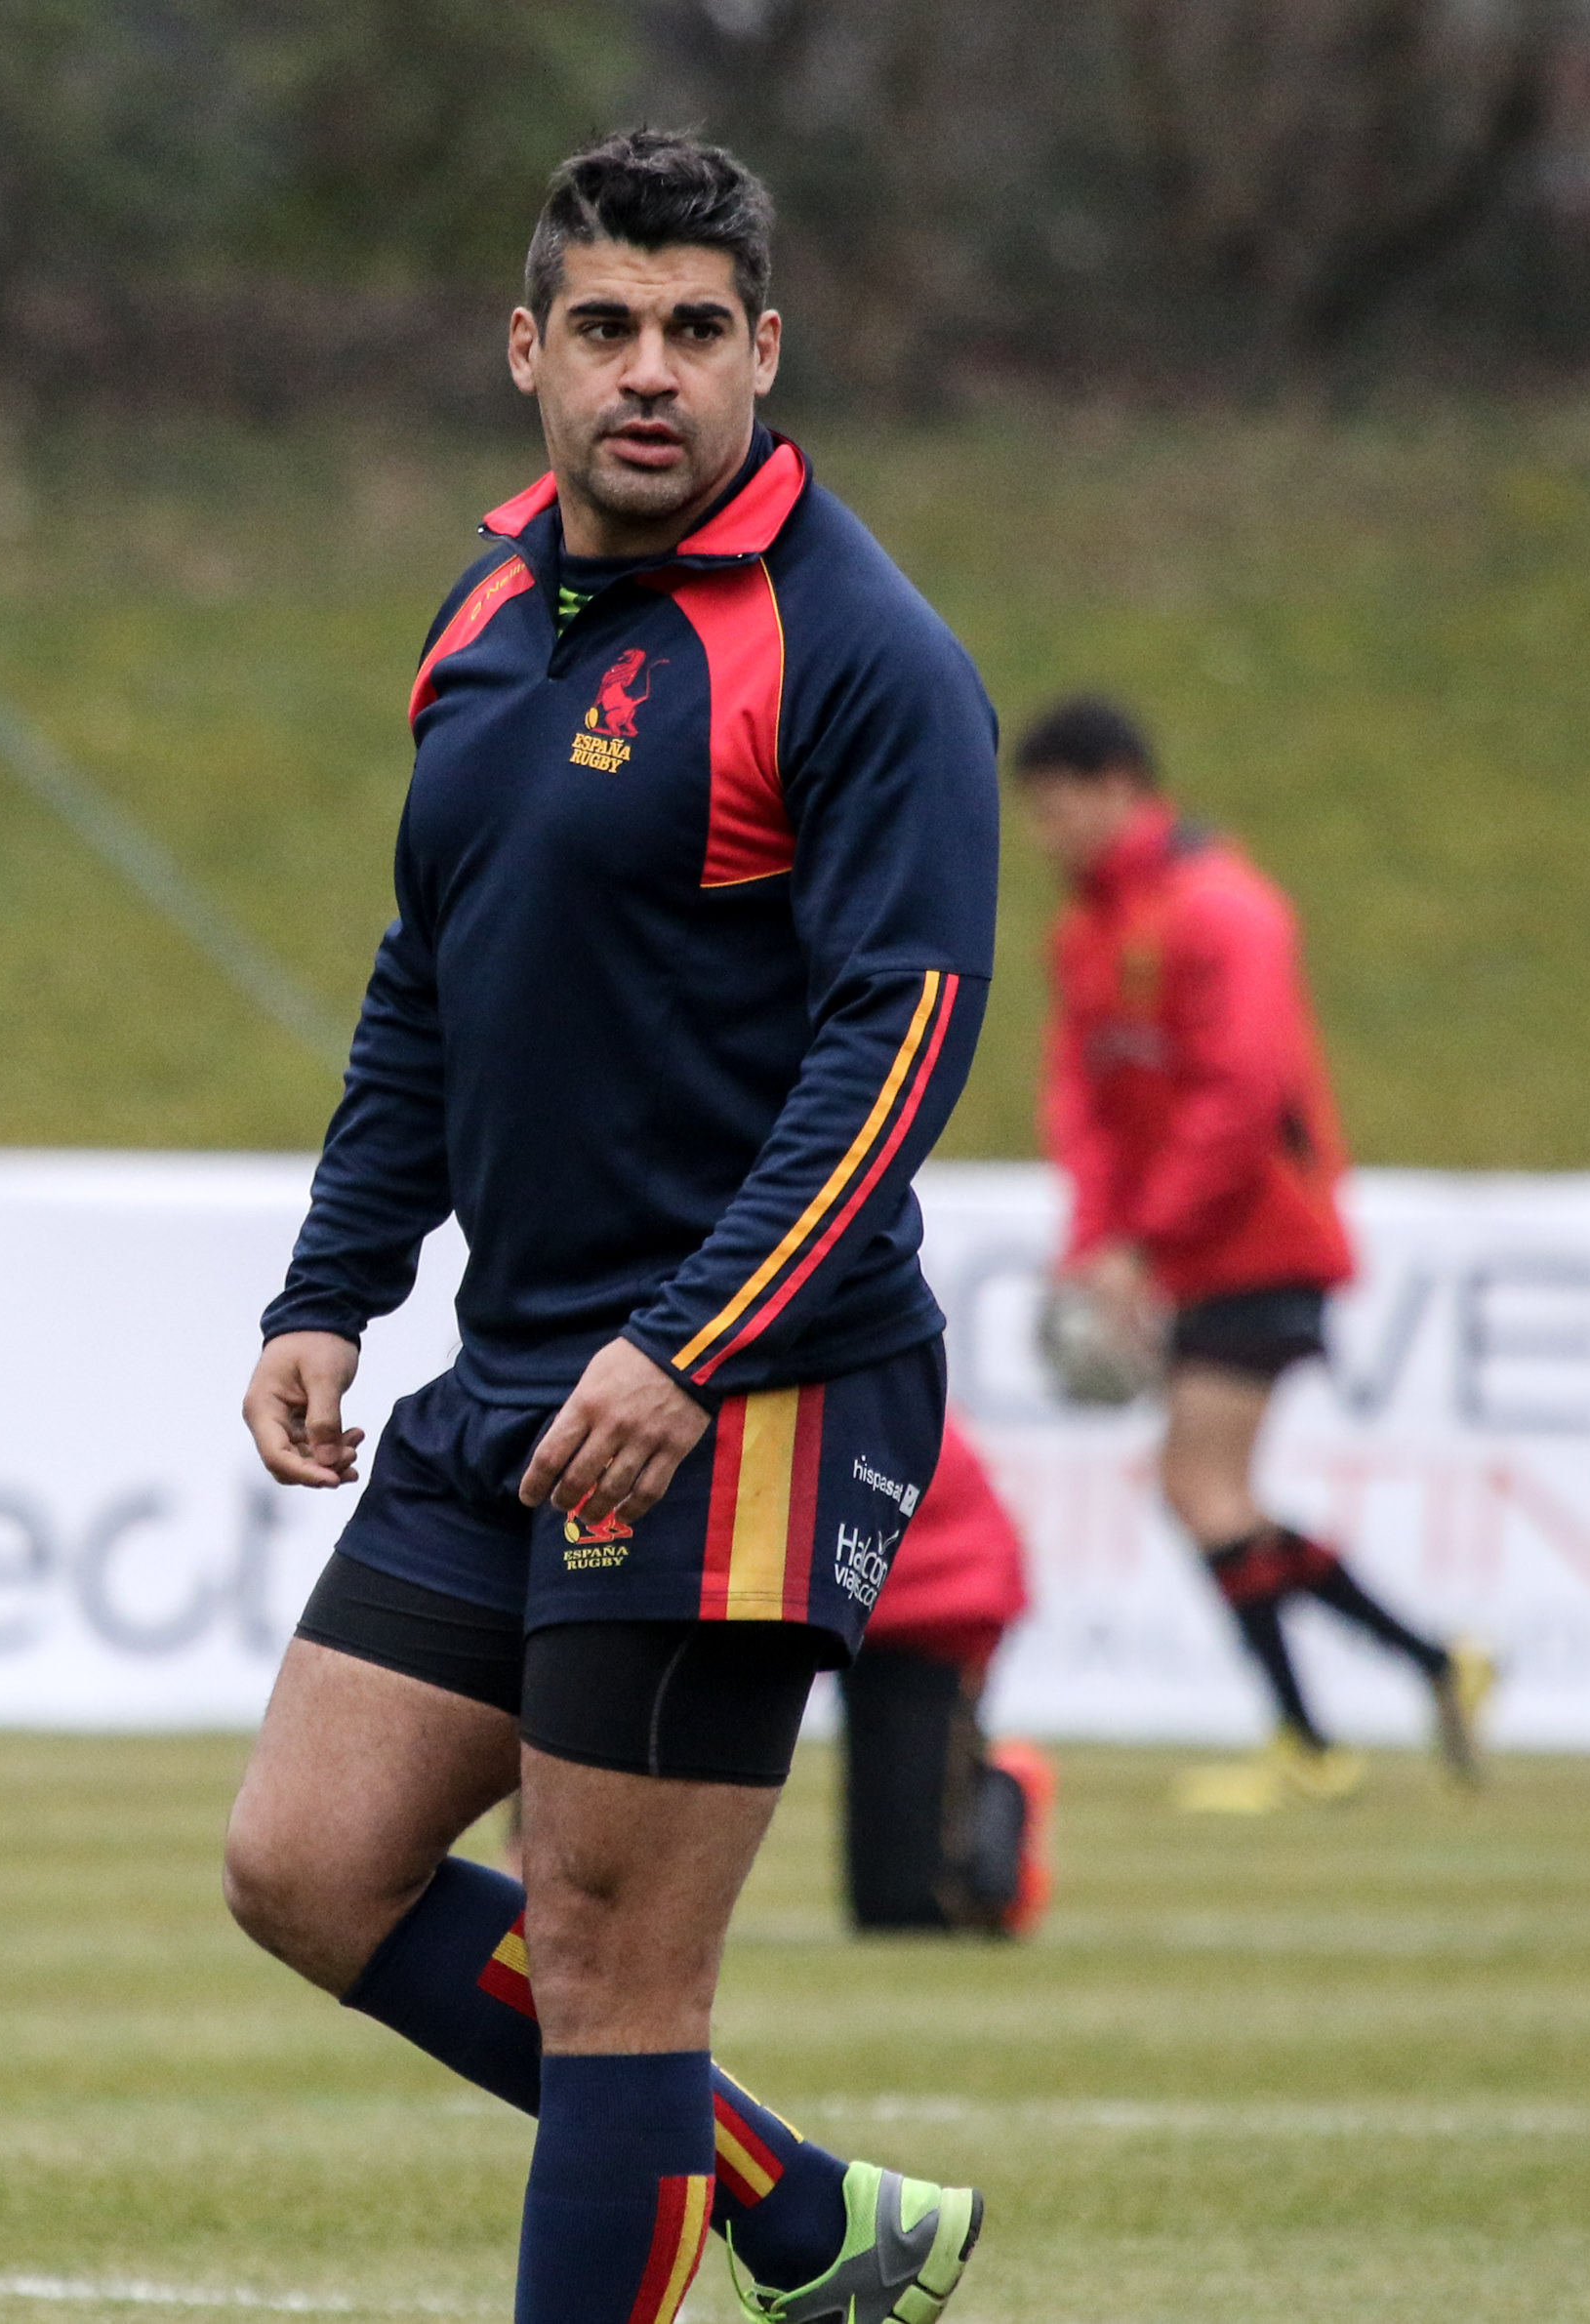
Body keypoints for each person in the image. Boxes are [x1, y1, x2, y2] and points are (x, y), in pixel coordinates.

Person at [224, 132, 999, 2324]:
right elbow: (429, 973)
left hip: (746, 1391)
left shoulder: (859, 652)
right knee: (306, 1864)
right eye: (602, 326)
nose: (645, 370)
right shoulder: (485, 609)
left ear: (765, 351)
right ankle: (806, 2214)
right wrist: (333, 1284)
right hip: (523, 1372)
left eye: (690, 329)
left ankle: (773, 2214)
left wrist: (686, 1345)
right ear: (525, 351)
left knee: (613, 1967)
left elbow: (901, 1038)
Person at [1011, 695, 1492, 1811]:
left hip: (1262, 1238)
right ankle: (1425, 1665)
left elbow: (1238, 1097)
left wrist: (1140, 1242)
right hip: (1183, 1250)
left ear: (1120, 785)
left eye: (1058, 806)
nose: (1045, 833)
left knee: (1197, 1483)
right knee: (1210, 1489)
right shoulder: (1084, 929)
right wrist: (1095, 1245)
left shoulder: (1223, 909)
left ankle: (1315, 1738)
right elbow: (1083, 1103)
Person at [838, 1420, 1050, 1936]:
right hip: (902, 1594)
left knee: (919, 1899)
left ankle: (1002, 1817)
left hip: (939, 1599)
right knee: (887, 1900)